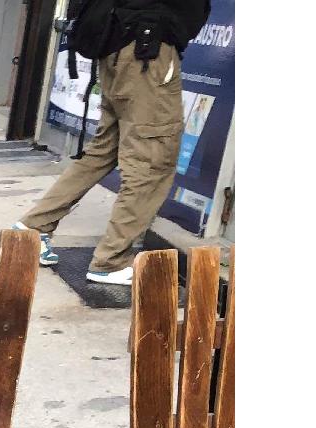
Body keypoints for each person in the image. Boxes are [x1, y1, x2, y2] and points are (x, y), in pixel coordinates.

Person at [15, 1, 211, 286]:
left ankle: (33, 228)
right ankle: (111, 261)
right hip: (147, 54)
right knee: (151, 162)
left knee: (103, 151)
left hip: (121, 48)